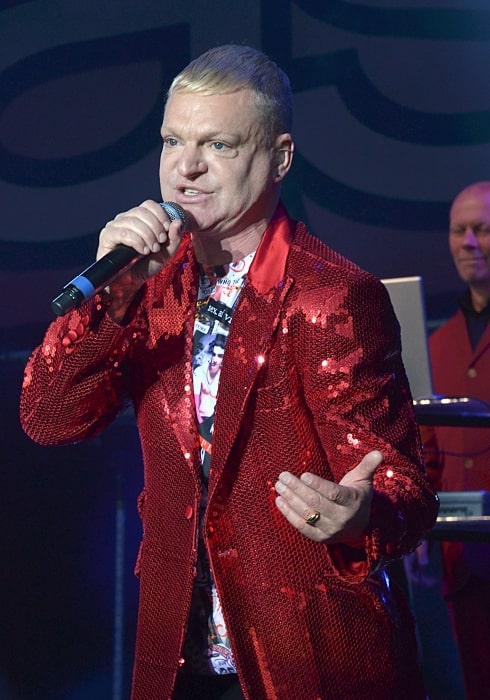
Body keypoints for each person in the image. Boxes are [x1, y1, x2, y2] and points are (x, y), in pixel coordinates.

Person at [19, 44, 438, 700]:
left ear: (280, 157)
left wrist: (363, 513)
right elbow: (47, 418)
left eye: (217, 144)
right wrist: (109, 299)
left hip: (307, 656)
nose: (186, 167)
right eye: (172, 140)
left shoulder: (331, 295)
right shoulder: (147, 290)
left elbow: (405, 486)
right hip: (179, 657)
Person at [405, 181, 490, 700]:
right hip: (463, 556)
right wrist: (416, 522)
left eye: (482, 229)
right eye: (459, 230)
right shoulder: (437, 342)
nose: (468, 242)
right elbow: (427, 445)